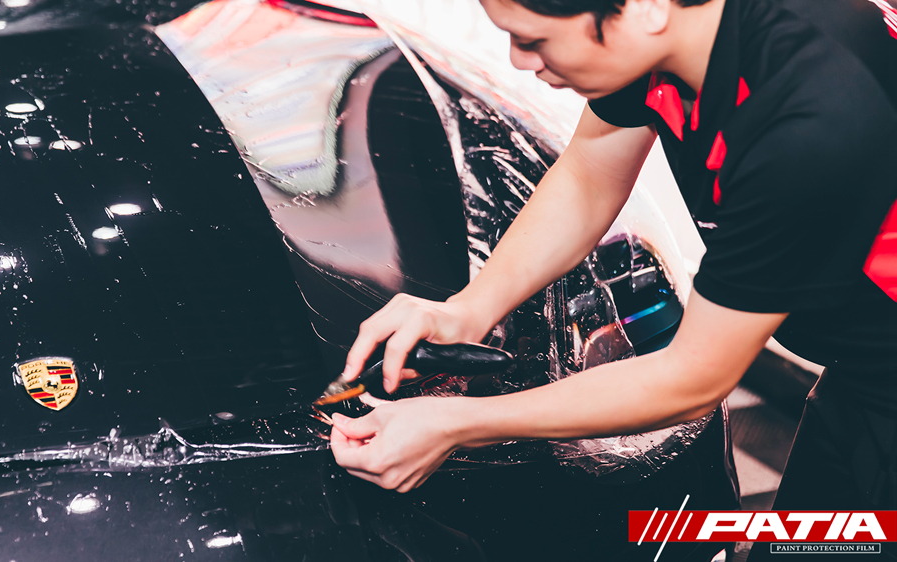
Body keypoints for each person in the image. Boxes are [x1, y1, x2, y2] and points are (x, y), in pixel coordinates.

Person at [330, 0, 897, 554]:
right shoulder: (669, 40)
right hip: (859, 378)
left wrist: (458, 424)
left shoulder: (814, 118)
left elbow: (693, 378)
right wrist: (468, 309)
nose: (520, 59)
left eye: (533, 39)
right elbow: (590, 175)